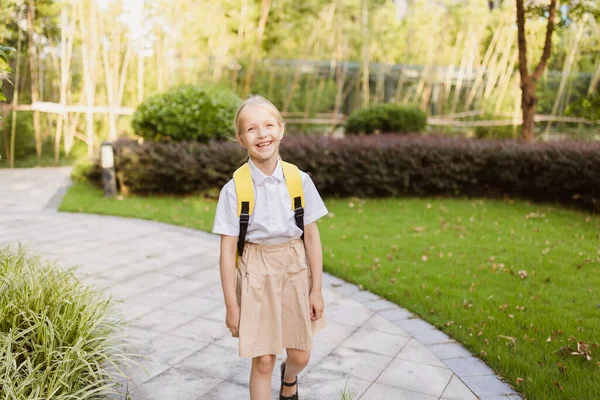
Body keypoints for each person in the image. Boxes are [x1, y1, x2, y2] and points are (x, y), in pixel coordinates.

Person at [212, 95, 328, 400]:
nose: (262, 134)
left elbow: (312, 238)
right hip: (255, 271)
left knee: (300, 355)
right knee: (263, 359)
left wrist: (316, 289)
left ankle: (289, 380)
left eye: (268, 125)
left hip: (294, 266)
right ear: (241, 139)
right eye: (251, 129)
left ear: (281, 129)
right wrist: (231, 306)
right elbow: (226, 252)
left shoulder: (298, 180)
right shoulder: (234, 189)